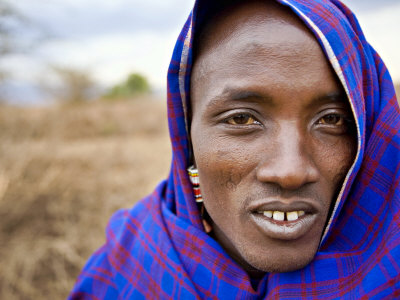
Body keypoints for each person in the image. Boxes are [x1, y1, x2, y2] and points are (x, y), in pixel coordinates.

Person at [69, 0, 400, 298]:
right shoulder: (124, 271)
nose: (290, 171)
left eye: (331, 119)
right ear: (187, 137)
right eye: (242, 119)